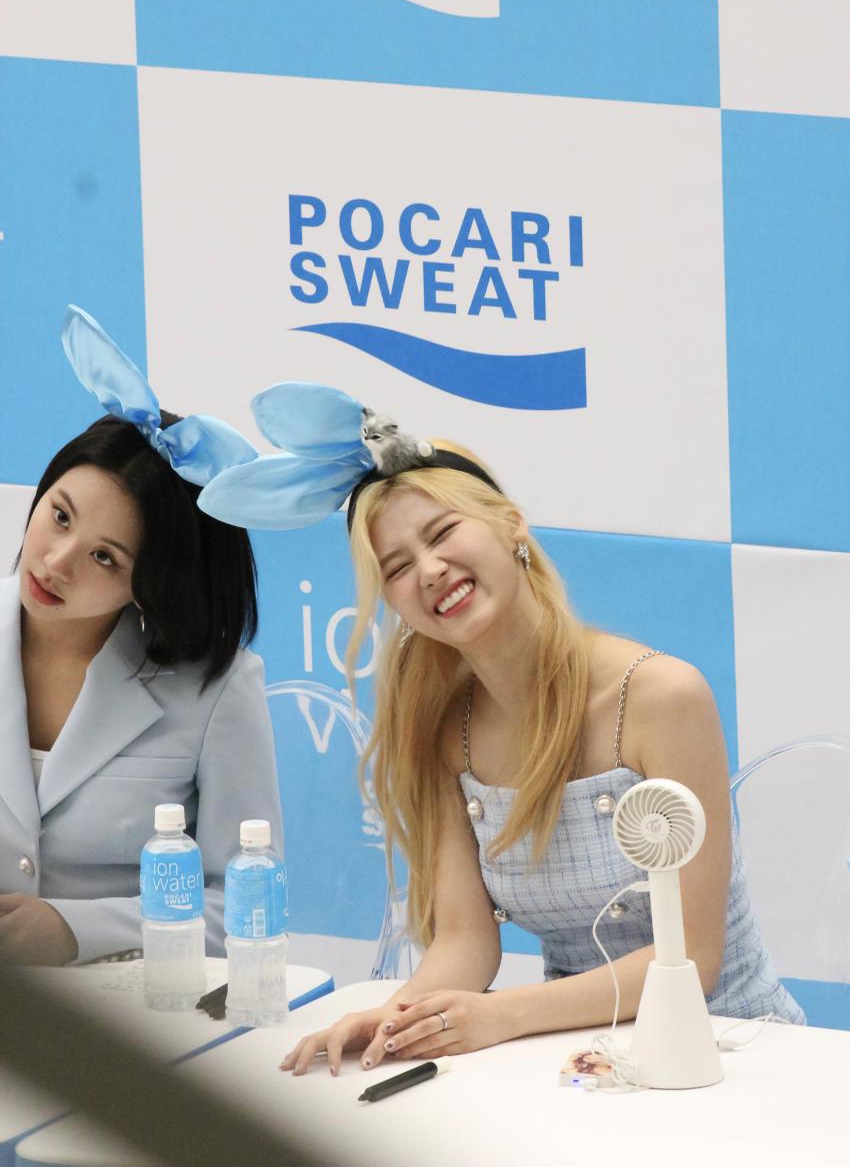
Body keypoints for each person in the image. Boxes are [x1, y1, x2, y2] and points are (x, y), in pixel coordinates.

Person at [197, 383, 804, 1076]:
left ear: (512, 525)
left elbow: (693, 956)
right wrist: (395, 1015)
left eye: (442, 534)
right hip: (585, 1062)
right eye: (397, 567)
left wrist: (502, 1015)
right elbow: (465, 939)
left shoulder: (662, 695)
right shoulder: (441, 729)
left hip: (739, 1057)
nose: (430, 570)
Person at [0, 307, 283, 966]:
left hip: (128, 1008)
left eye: (105, 557)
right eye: (59, 515)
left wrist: (75, 929)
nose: (57, 562)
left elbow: (247, 905)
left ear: (150, 583)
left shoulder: (216, 688)